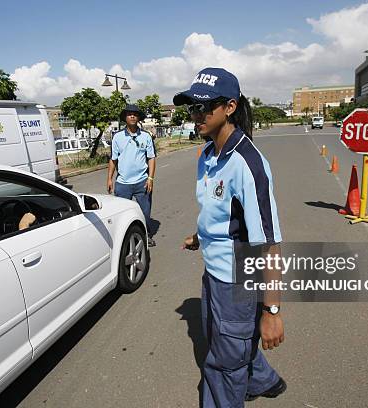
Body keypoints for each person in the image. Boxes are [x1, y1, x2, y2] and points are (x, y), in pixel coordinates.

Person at [177, 67, 286, 406]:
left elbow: (268, 244)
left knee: (223, 362)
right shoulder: (208, 154)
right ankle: (263, 380)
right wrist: (200, 235)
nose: (196, 115)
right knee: (229, 341)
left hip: (238, 280)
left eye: (203, 107)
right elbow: (218, 210)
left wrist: (272, 311)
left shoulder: (248, 163)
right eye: (191, 108)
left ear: (230, 107)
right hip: (215, 273)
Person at [107, 104, 157, 247]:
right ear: (125, 118)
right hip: (123, 184)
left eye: (135, 114)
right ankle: (122, 240)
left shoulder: (146, 136)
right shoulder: (117, 137)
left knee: (145, 213)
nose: (132, 116)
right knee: (122, 214)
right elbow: (113, 159)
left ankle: (146, 235)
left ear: (139, 117)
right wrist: (109, 179)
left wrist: (150, 178)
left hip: (142, 182)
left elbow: (151, 158)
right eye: (129, 114)